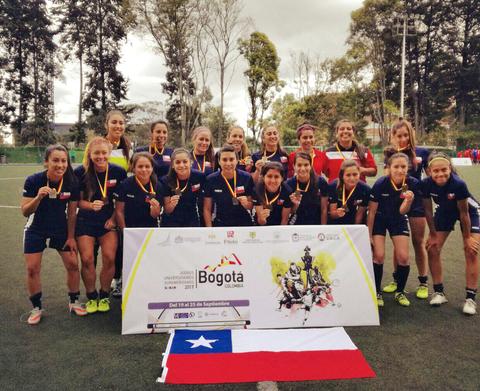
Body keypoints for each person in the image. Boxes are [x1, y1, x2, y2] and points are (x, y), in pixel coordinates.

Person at [21, 144, 86, 325]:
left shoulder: (72, 182)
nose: (60, 165)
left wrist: (71, 237)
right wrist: (38, 197)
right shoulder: (33, 181)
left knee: (73, 264)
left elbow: (72, 213)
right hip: (36, 229)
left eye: (63, 161)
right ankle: (36, 307)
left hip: (61, 229)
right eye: (55, 160)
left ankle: (74, 301)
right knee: (32, 268)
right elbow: (25, 211)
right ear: (46, 162)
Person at [422, 152, 480, 315]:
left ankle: (470, 298)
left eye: (444, 170)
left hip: (470, 212)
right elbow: (427, 210)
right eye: (436, 171)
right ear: (429, 171)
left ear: (450, 169)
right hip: (445, 211)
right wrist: (433, 234)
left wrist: (467, 238)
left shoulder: (458, 184)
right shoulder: (425, 184)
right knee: (432, 248)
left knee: (471, 250)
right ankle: (439, 292)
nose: (440, 174)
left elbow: (464, 213)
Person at [74, 137, 127, 314]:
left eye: (104, 153)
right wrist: (89, 205)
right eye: (97, 153)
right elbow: (77, 202)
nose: (101, 157)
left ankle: (104, 295)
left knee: (110, 257)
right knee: (87, 259)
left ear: (109, 153)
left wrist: (113, 218)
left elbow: (120, 201)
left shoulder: (118, 172)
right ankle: (91, 296)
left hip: (107, 221)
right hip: (85, 221)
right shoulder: (81, 172)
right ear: (90, 154)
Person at [382, 120, 429, 299]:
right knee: (398, 241)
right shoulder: (390, 154)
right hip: (396, 202)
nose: (402, 139)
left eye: (405, 135)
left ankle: (423, 281)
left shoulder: (421, 153)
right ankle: (396, 279)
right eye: (398, 136)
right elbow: (386, 178)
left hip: (415, 202)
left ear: (411, 134)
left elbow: (431, 177)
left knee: (418, 241)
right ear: (393, 137)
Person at [367, 153, 421, 308]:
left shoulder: (412, 183)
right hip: (379, 219)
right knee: (379, 256)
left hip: (398, 219)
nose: (400, 170)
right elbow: (371, 212)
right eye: (396, 166)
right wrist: (369, 234)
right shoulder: (381, 183)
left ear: (408, 167)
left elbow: (403, 211)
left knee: (403, 257)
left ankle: (400, 292)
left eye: (403, 166)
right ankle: (376, 291)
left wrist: (408, 200)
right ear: (389, 168)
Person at [204, 145, 254, 227]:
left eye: (231, 159)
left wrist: (247, 204)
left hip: (243, 224)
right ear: (219, 161)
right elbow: (207, 208)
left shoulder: (246, 177)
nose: (228, 163)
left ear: (237, 161)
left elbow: (251, 205)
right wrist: (210, 229)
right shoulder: (211, 179)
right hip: (221, 223)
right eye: (224, 160)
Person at [115, 152, 163, 229]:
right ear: (134, 168)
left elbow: (155, 215)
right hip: (129, 228)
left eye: (147, 166)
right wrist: (125, 231)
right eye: (140, 166)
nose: (144, 170)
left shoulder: (158, 186)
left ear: (152, 168)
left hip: (149, 230)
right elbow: (119, 211)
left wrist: (155, 209)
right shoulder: (125, 185)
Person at [160, 148, 206, 227]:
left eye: (185, 161)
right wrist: (171, 205)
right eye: (177, 162)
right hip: (171, 222)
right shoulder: (166, 181)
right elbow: (167, 210)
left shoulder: (200, 176)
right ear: (172, 165)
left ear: (191, 162)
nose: (181, 165)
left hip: (191, 220)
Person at [322, 119, 377, 183]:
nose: (345, 131)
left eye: (349, 129)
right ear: (337, 133)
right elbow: (326, 173)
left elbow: (374, 171)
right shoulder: (328, 153)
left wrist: (361, 170)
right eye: (342, 129)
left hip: (358, 191)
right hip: (336, 191)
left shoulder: (364, 151)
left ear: (353, 132)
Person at [286, 152, 328, 225]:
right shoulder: (288, 184)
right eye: (299, 165)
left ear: (311, 166)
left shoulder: (321, 182)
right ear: (294, 166)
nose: (302, 169)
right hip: (296, 226)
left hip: (315, 225)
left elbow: (324, 209)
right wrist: (295, 205)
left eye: (306, 165)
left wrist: (323, 228)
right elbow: (289, 212)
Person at [328, 159, 370, 225]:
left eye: (355, 174)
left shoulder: (365, 190)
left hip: (353, 222)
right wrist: (337, 213)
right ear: (342, 176)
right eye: (348, 175)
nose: (352, 178)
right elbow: (332, 214)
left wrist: (354, 230)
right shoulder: (334, 187)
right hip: (335, 224)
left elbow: (360, 214)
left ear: (359, 174)